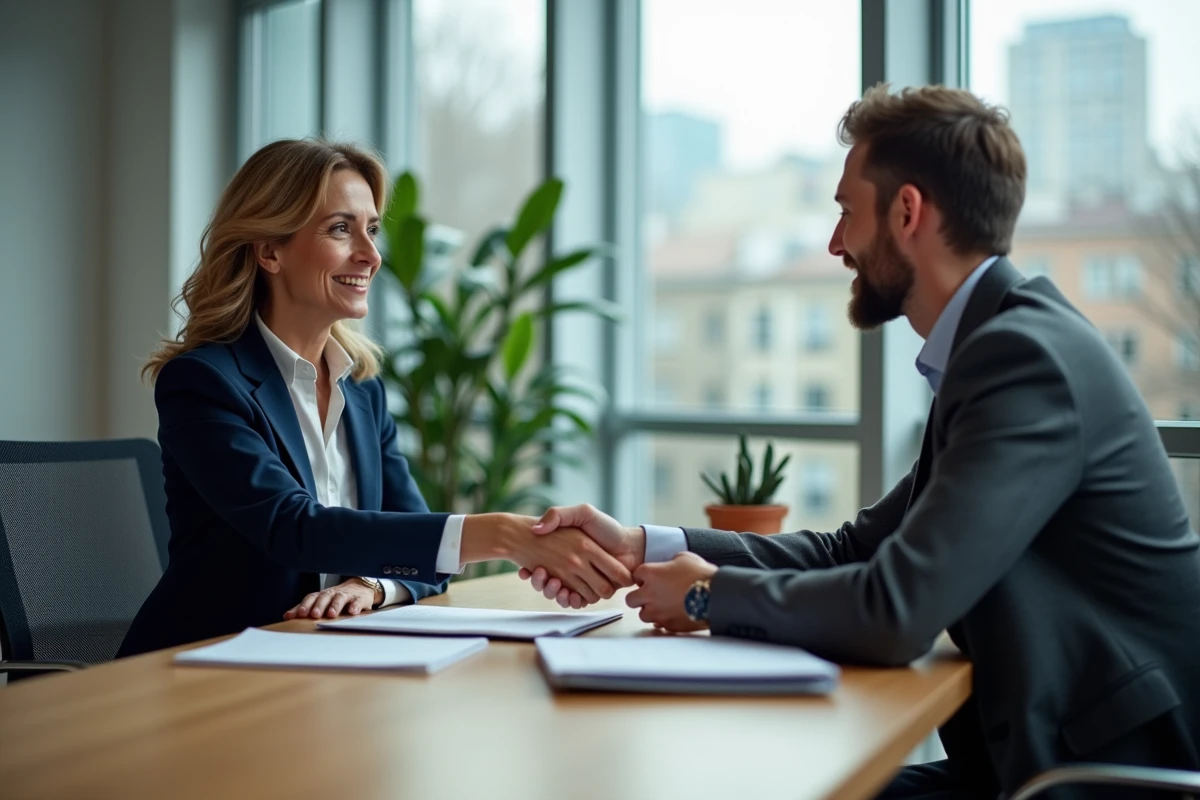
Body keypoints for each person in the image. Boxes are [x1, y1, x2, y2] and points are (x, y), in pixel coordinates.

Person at [523, 85, 1200, 797]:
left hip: (1109, 778)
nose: (835, 243)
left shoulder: (1023, 360)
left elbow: (897, 614)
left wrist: (707, 597)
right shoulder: (1000, 344)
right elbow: (855, 549)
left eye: (847, 212)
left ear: (907, 212)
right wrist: (643, 547)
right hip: (1047, 758)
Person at [117, 139, 631, 658]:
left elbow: (422, 549)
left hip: (322, 659)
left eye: (372, 228)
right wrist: (505, 533)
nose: (371, 254)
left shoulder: (362, 389)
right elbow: (294, 528)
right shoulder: (203, 382)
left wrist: (372, 586)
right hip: (206, 664)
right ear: (269, 249)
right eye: (341, 229)